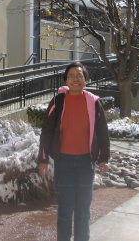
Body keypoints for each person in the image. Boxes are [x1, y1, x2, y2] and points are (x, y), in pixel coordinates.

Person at [37, 62, 110, 241]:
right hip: (64, 162)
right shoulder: (58, 101)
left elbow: (102, 132)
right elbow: (46, 130)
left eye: (79, 75)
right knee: (64, 210)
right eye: (71, 76)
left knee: (83, 210)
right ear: (66, 80)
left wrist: (103, 159)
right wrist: (43, 159)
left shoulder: (93, 102)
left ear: (85, 79)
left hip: (86, 163)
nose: (75, 79)